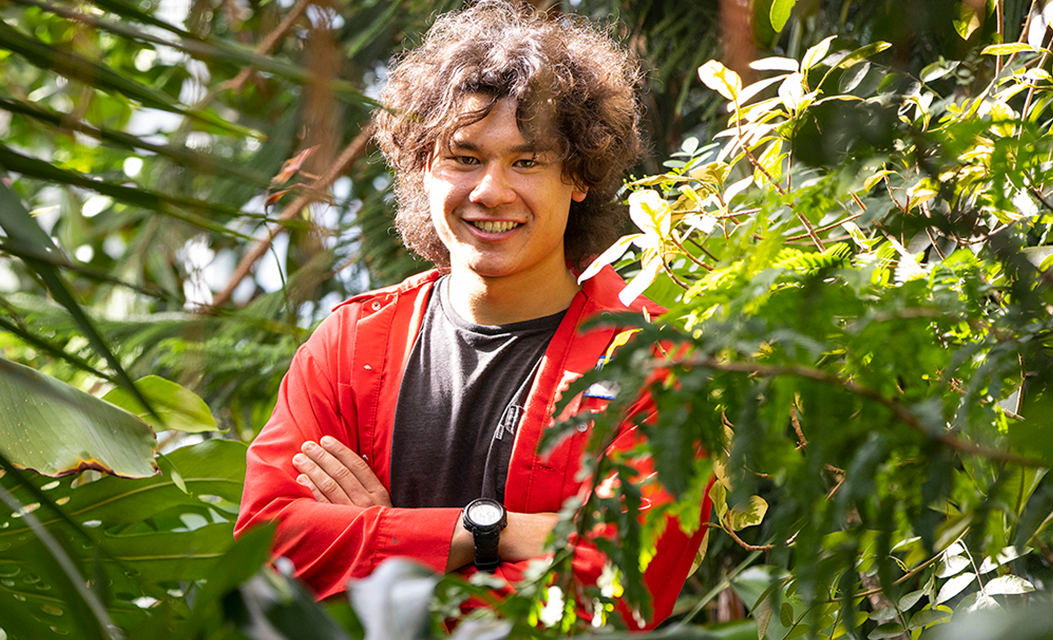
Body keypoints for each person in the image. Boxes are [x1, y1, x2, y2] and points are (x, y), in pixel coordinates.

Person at [234, 0, 710, 628]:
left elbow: (617, 590)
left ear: (580, 175)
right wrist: (487, 534)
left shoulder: (647, 361)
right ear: (423, 168)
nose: (490, 190)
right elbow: (268, 553)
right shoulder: (349, 344)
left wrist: (382, 545)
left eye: (527, 160)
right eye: (464, 157)